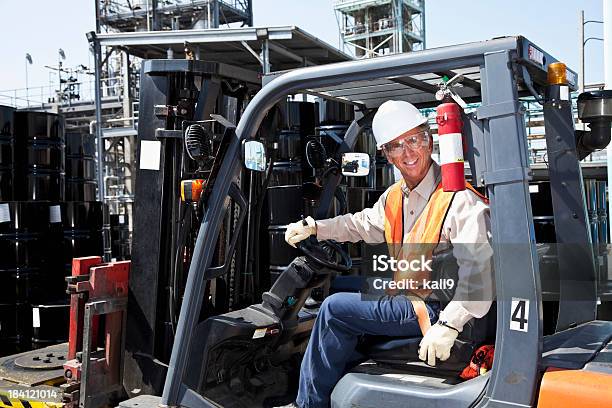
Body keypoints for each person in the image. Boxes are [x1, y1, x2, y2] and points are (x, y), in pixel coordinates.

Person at [278, 100, 493, 408]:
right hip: (407, 296)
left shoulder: (459, 200)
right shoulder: (395, 197)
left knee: (334, 309)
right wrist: (316, 227)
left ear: (430, 140)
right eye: (396, 146)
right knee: (342, 287)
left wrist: (449, 325)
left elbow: (480, 274)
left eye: (414, 140)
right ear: (386, 154)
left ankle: (308, 404)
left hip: (434, 307)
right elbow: (361, 225)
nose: (408, 153)